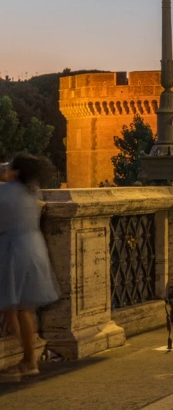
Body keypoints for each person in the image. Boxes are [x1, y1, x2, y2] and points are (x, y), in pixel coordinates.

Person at [0, 154, 59, 382]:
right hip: (33, 248)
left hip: (13, 251)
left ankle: (27, 359)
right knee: (21, 307)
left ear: (15, 172)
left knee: (16, 305)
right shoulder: (32, 192)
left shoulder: (6, 192)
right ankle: (26, 357)